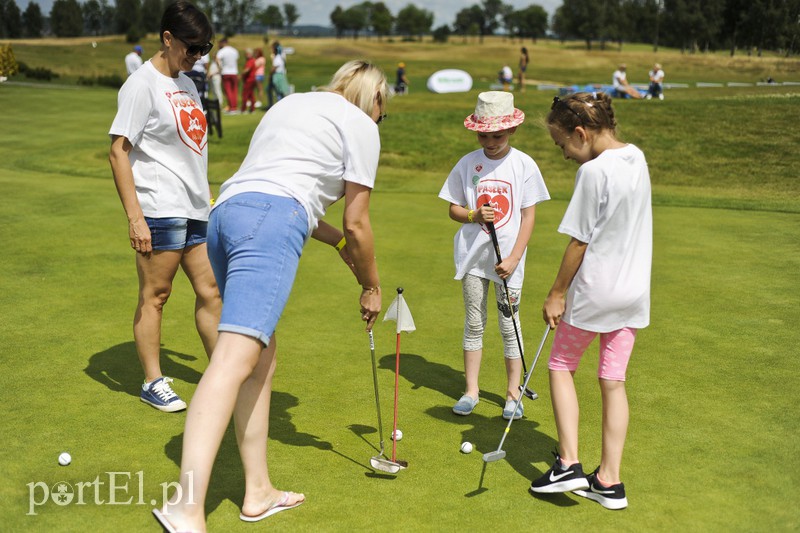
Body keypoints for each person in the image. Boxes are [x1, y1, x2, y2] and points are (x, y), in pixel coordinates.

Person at [152, 60, 388, 531]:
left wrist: (338, 245)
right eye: (384, 111)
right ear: (375, 99)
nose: (381, 120)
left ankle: (257, 490)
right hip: (268, 221)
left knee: (261, 356)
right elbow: (355, 221)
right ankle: (186, 504)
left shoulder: (293, 103)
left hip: (225, 215)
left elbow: (277, 186)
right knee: (234, 359)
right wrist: (371, 284)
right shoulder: (361, 123)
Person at [529, 93, 652, 511]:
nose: (564, 154)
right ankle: (609, 482)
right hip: (634, 293)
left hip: (596, 290)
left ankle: (567, 464)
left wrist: (556, 293)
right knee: (613, 381)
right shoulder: (637, 157)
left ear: (581, 133)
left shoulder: (593, 173)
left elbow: (579, 242)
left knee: (561, 365)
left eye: (563, 144)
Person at [108, 0, 221, 413]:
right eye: (190, 47)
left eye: (203, 49)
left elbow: (192, 148)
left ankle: (221, 371)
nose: (195, 57)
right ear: (167, 38)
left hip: (195, 207)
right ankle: (153, 382)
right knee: (156, 295)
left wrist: (204, 193)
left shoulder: (187, 83)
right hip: (159, 207)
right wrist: (135, 217)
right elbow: (119, 152)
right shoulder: (141, 85)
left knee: (211, 290)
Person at [439, 91, 550, 421]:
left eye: (497, 135)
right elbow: (453, 209)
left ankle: (513, 394)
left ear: (512, 130)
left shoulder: (524, 165)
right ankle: (471, 391)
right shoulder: (468, 163)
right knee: (474, 322)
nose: (490, 142)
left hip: (508, 264)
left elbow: (529, 217)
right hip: (473, 259)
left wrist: (514, 258)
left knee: (509, 325)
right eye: (484, 135)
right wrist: (474, 215)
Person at [216, 37, 239, 113]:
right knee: (234, 91)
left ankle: (231, 107)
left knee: (228, 91)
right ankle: (234, 106)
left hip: (225, 72)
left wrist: (219, 68)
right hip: (234, 72)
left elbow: (217, 59)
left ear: (223, 43)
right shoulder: (234, 50)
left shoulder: (222, 51)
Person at [267, 40, 289, 109]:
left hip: (278, 76)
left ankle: (278, 106)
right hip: (279, 75)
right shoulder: (279, 57)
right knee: (278, 92)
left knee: (279, 92)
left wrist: (270, 74)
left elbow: (274, 68)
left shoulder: (277, 58)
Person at [240, 48, 257, 113]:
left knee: (245, 94)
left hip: (249, 80)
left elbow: (247, 70)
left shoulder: (250, 61)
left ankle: (243, 109)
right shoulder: (251, 60)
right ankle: (252, 109)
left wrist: (241, 75)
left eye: (247, 54)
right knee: (251, 95)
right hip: (251, 79)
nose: (246, 55)